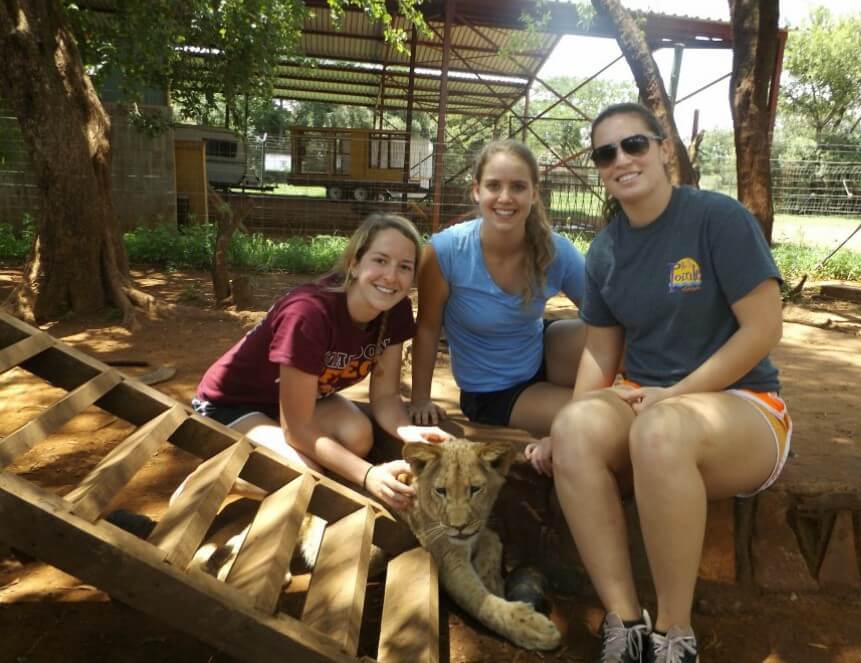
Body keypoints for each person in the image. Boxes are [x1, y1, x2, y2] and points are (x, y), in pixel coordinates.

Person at [548, 103, 792, 663]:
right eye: (605, 153)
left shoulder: (717, 218)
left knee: (661, 430)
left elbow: (763, 329)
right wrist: (559, 436)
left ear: (663, 149)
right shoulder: (605, 249)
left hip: (741, 406)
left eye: (634, 144)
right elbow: (600, 351)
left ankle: (674, 634)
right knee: (576, 426)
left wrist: (675, 397)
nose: (621, 160)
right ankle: (625, 621)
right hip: (647, 401)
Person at [184, 213, 450, 512]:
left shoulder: (395, 310)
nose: (391, 276)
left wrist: (408, 432)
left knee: (359, 437)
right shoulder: (308, 315)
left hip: (297, 404)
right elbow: (297, 428)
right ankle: (216, 478)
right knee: (306, 473)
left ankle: (263, 461)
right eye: (380, 260)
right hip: (233, 404)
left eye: (404, 267)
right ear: (354, 263)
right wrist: (368, 475)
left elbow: (386, 396)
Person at [409, 139, 586, 449]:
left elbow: (605, 316)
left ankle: (668, 392)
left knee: (619, 338)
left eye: (518, 186)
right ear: (477, 191)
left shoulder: (555, 249)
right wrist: (420, 399)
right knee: (597, 417)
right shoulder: (446, 250)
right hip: (494, 390)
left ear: (533, 193)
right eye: (494, 186)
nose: (505, 197)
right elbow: (426, 327)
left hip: (539, 347)